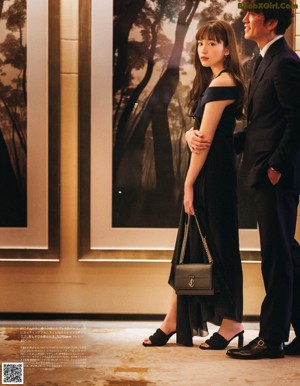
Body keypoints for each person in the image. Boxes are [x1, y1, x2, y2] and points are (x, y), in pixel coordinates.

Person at [142, 20, 246, 349]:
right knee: (192, 247)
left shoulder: (223, 83)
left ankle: (232, 322)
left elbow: (206, 141)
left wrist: (188, 184)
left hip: (211, 177)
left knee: (219, 247)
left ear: (227, 48)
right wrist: (188, 134)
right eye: (201, 43)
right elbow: (198, 134)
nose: (204, 49)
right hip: (211, 173)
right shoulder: (216, 82)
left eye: (212, 43)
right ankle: (174, 319)